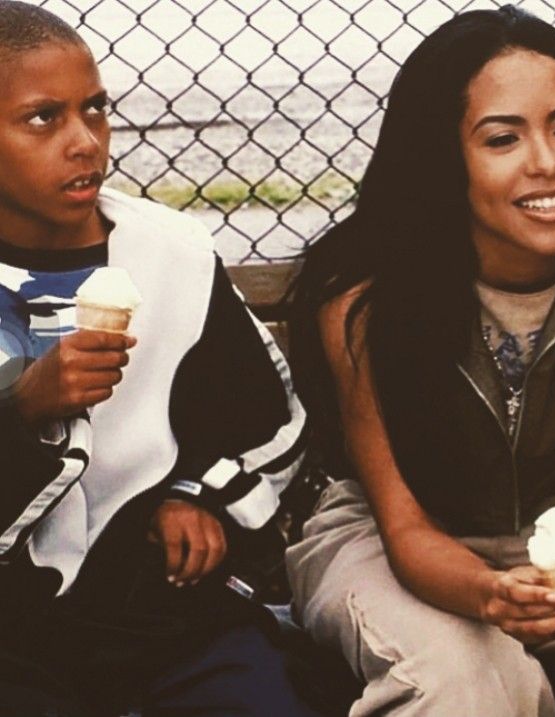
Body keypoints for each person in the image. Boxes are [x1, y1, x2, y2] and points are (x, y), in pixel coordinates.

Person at [286, 6, 555, 716]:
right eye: (502, 138)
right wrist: (491, 593)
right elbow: (405, 528)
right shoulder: (364, 297)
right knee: (468, 677)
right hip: (384, 531)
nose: (548, 161)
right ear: (441, 158)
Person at [0, 3, 318, 715]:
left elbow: (269, 418)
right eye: (43, 118)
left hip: (158, 610)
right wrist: (22, 407)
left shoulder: (167, 253)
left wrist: (199, 493)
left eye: (96, 109)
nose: (85, 141)